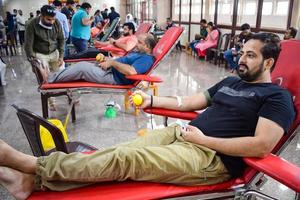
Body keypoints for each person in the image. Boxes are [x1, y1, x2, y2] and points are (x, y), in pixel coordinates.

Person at [0, 33, 295, 200]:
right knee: (117, 152)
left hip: (211, 160)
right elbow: (190, 101)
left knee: (129, 162)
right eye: (242, 52)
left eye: (251, 55)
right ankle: (32, 183)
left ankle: (30, 166)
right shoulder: (230, 83)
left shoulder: (277, 98)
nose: (241, 59)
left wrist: (207, 140)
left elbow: (261, 145)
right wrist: (150, 99)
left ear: (269, 61)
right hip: (182, 136)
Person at [47, 33, 155, 85]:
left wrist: (112, 63)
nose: (136, 45)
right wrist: (108, 60)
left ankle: (49, 80)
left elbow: (131, 71)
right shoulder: (138, 53)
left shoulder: (147, 59)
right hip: (110, 69)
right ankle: (53, 77)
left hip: (113, 77)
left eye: (139, 43)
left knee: (82, 68)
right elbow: (123, 61)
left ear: (147, 46)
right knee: (83, 63)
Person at [24, 5, 64, 72]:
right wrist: (33, 60)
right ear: (42, 16)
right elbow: (28, 44)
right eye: (48, 19)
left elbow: (61, 39)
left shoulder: (56, 23)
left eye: (53, 19)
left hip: (54, 53)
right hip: (40, 54)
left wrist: (61, 56)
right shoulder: (32, 24)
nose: (51, 22)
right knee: (44, 77)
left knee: (60, 74)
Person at [66, 22, 138, 59]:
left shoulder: (132, 38)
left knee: (87, 53)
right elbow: (109, 43)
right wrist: (99, 43)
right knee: (88, 50)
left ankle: (66, 58)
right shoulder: (123, 36)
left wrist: (114, 41)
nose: (123, 31)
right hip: (106, 50)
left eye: (125, 29)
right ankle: (67, 57)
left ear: (131, 30)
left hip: (110, 55)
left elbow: (127, 48)